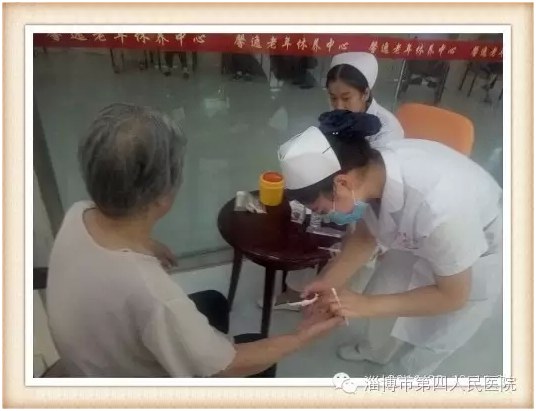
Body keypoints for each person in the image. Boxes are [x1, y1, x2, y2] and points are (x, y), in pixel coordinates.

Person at [45, 103, 343, 378]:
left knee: (214, 302)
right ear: (163, 195)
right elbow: (226, 367)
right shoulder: (154, 297)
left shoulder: (78, 213)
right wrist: (302, 335)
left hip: (87, 363)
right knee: (259, 354)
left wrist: (149, 246)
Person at [277, 109, 503, 375]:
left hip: (477, 250)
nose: (325, 217)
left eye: (322, 209)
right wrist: (329, 281)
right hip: (419, 235)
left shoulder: (440, 209)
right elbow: (366, 236)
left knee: (436, 335)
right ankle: (375, 351)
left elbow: (453, 296)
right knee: (386, 290)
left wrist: (364, 305)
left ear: (342, 183)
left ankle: (405, 378)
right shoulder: (371, 174)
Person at [262, 52, 404, 311]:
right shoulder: (336, 118)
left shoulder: (388, 130)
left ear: (366, 93)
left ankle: (333, 301)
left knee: (356, 246)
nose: (338, 105)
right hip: (338, 191)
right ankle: (299, 291)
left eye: (346, 98)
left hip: (367, 200)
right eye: (332, 97)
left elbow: (377, 187)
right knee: (309, 224)